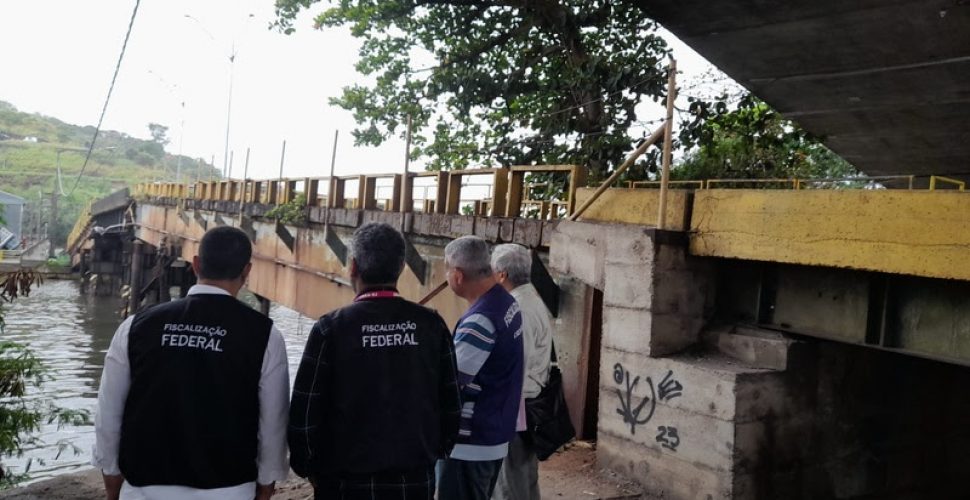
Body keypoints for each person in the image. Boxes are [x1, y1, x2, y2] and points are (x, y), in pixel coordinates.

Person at [92, 226, 290, 500]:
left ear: (196, 264)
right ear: (247, 272)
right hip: (229, 488)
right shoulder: (265, 335)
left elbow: (109, 413)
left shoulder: (136, 326)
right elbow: (273, 423)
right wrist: (267, 484)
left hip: (144, 488)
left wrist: (112, 478)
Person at [288, 222, 461, 500]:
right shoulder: (432, 325)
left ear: (353, 267)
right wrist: (435, 453)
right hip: (414, 481)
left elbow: (304, 413)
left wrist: (309, 467)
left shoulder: (330, 328)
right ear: (402, 267)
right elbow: (452, 404)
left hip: (344, 483)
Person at [439, 236, 524, 500]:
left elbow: (450, 382)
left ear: (458, 275)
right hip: (495, 433)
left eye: (447, 270)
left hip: (471, 443)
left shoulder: (480, 321)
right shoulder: (507, 303)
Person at [490, 244, 552, 500]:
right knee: (524, 477)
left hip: (518, 406)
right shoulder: (528, 300)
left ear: (502, 274)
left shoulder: (519, 309)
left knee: (509, 482)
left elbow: (517, 365)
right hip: (526, 401)